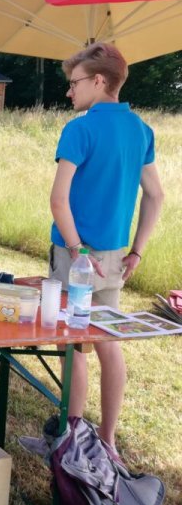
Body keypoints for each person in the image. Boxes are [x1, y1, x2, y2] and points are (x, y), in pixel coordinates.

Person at [49, 42, 164, 451]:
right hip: (116, 256)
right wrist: (137, 251)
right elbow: (156, 195)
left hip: (75, 255)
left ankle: (70, 437)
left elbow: (58, 199)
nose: (70, 92)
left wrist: (77, 250)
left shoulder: (80, 129)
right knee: (108, 343)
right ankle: (108, 438)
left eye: (74, 83)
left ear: (99, 81)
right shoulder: (141, 130)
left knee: (74, 347)